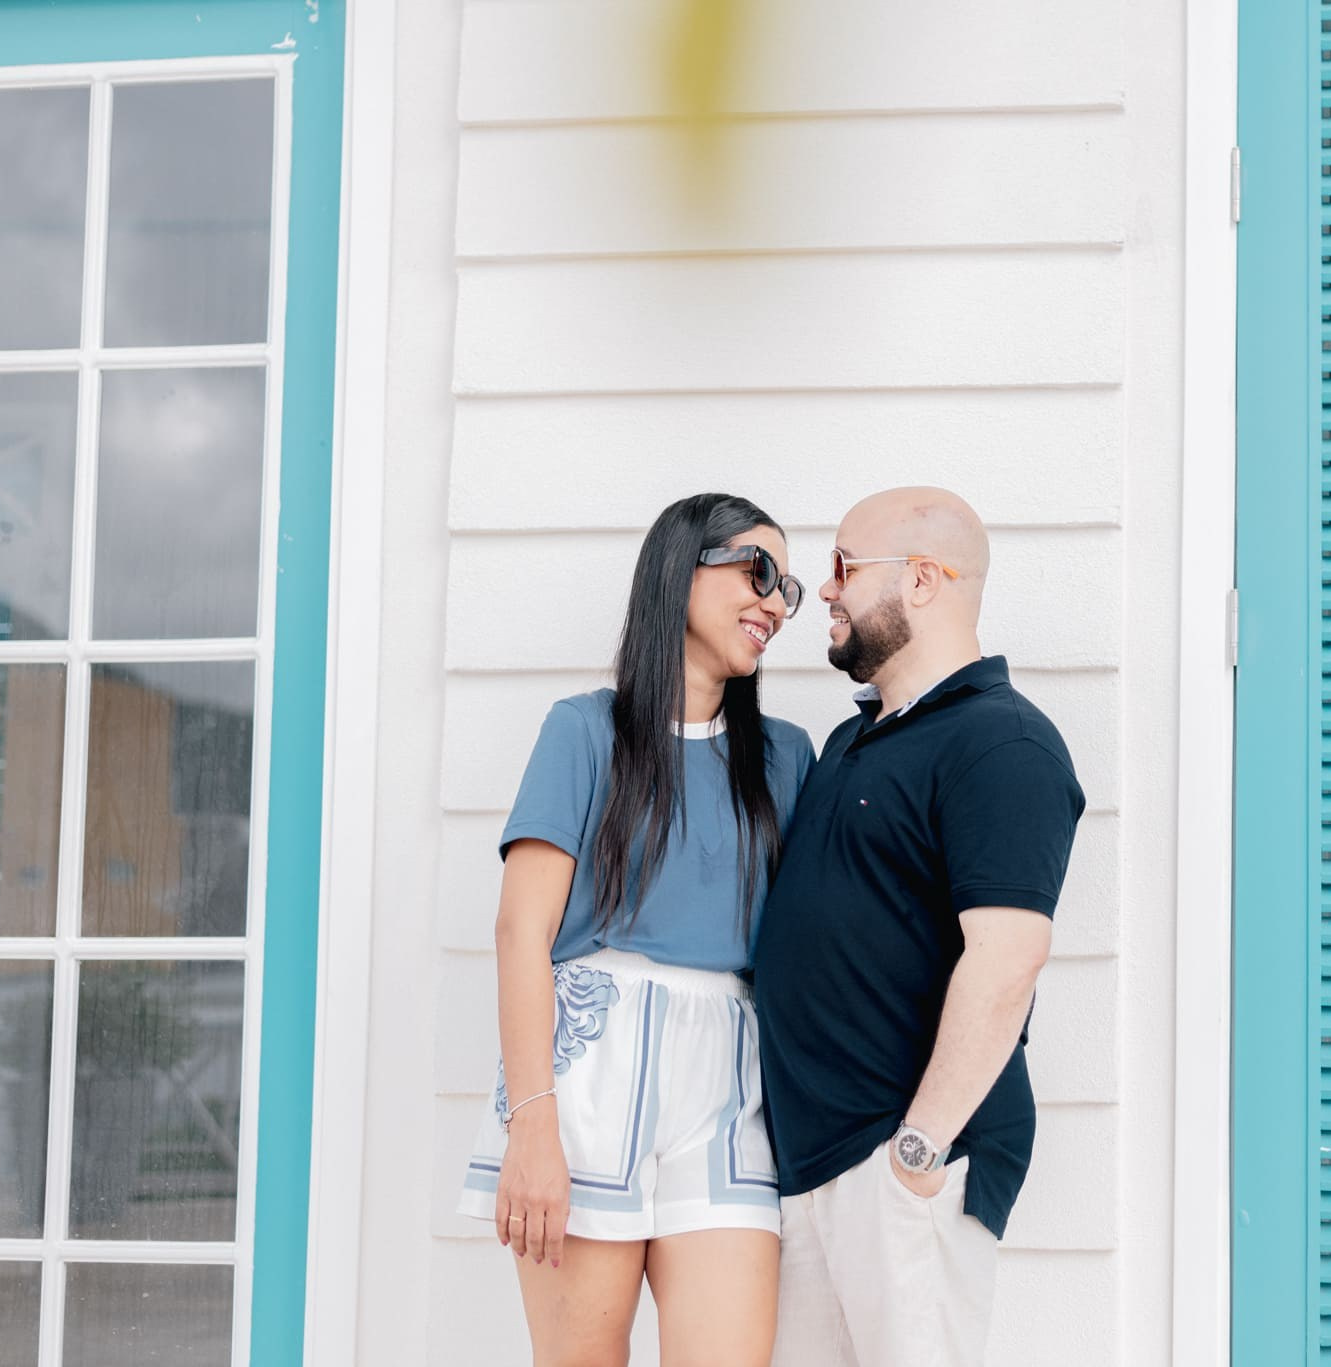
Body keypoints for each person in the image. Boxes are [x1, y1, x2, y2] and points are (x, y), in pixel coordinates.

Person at [457, 493, 817, 1366]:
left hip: (730, 1082)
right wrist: (533, 1126)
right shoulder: (583, 731)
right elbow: (521, 932)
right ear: (679, 568)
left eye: (788, 587)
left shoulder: (785, 756)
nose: (773, 601)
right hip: (585, 1071)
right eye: (756, 570)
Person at [754, 487, 1087, 1366]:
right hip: (816, 1165)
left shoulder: (1001, 742)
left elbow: (1008, 957)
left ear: (925, 579)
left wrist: (915, 1153)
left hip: (899, 1163)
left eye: (842, 567)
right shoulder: (852, 741)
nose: (822, 590)